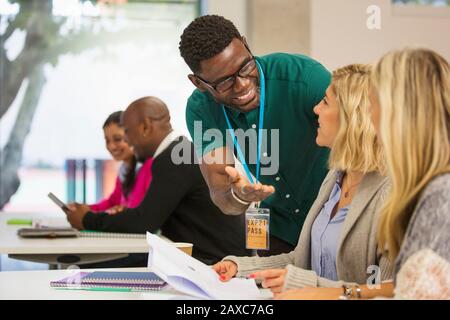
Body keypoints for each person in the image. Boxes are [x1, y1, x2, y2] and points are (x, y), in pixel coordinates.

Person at [276, 48, 450, 300]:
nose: (370, 116)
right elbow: (398, 288)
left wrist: (320, 291)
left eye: (375, 102)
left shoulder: (437, 194)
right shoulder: (426, 186)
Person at [213, 64, 393, 295]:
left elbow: (391, 291)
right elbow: (301, 259)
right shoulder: (335, 178)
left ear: (352, 118)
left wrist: (305, 283)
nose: (316, 109)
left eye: (325, 102)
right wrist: (240, 267)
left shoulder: (391, 193)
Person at [179, 15, 331, 255]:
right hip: (278, 231)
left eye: (245, 67)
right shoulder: (201, 110)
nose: (242, 86)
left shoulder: (303, 78)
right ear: (199, 84)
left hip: (331, 221)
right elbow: (221, 193)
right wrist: (238, 197)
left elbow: (364, 137)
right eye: (225, 82)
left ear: (246, 45)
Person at [66, 96, 250, 265]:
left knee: (84, 266)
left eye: (127, 132)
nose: (128, 141)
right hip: (213, 257)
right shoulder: (178, 152)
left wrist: (87, 219)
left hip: (215, 263)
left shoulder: (173, 158)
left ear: (145, 127)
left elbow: (144, 221)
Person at [88, 111, 153, 214]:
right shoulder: (124, 170)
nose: (111, 146)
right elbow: (112, 202)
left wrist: (121, 211)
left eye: (117, 139)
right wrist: (84, 209)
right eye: (107, 141)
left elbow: (143, 212)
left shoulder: (149, 166)